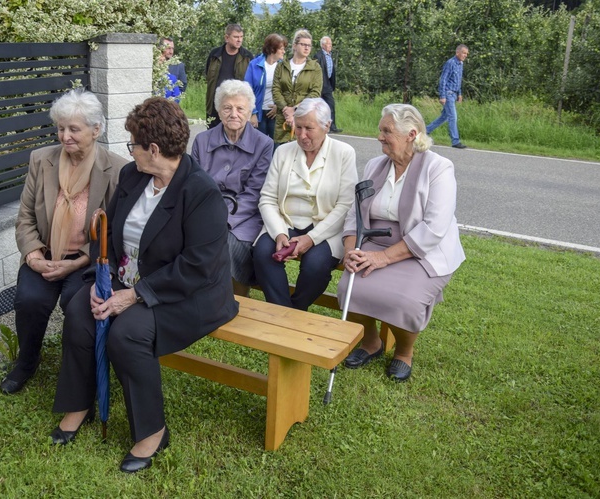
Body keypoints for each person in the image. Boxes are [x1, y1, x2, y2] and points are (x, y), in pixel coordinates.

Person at [51, 97, 238, 473]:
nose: (129, 151)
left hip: (188, 294)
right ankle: (80, 403)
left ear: (153, 149)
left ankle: (153, 430)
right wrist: (99, 278)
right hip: (128, 280)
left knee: (127, 334)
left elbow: (198, 267)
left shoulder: (200, 193)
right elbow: (110, 233)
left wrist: (133, 296)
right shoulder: (133, 177)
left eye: (132, 144)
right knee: (78, 311)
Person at [1, 89, 127, 395]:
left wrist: (78, 260)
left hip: (85, 261)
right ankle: (27, 362)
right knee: (29, 300)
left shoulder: (117, 170)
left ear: (96, 130)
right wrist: (33, 256)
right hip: (44, 255)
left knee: (77, 305)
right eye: (60, 128)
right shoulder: (41, 160)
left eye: (74, 129)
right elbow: (26, 217)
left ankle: (76, 369)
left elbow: (113, 232)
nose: (65, 136)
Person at [338, 103, 466, 382]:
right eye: (380, 130)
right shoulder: (375, 165)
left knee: (404, 301)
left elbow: (434, 228)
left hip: (422, 249)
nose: (380, 137)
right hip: (374, 241)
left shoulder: (439, 167)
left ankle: (404, 352)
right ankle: (371, 343)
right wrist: (351, 250)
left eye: (387, 131)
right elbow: (354, 214)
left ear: (411, 134)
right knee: (350, 286)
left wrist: (382, 259)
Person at [253, 98, 357, 311]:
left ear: (327, 126)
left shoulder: (343, 153)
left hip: (326, 227)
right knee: (263, 254)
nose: (302, 135)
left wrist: (311, 238)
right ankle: (284, 313)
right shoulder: (283, 152)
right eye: (298, 127)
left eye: (309, 128)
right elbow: (268, 198)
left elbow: (346, 205)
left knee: (315, 265)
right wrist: (280, 234)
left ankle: (296, 309)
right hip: (285, 222)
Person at [191, 80, 274, 296]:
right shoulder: (201, 141)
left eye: (240, 108)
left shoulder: (264, 144)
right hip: (204, 213)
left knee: (229, 245)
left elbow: (255, 192)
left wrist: (223, 219)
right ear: (219, 111)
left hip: (245, 217)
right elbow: (195, 186)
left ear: (249, 113)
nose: (233, 114)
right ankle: (199, 297)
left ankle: (236, 298)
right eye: (227, 108)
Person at [272, 29, 323, 145]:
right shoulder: (281, 66)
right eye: (303, 44)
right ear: (295, 46)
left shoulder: (315, 67)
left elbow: (315, 92)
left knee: (302, 151)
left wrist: (295, 109)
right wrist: (286, 109)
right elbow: (276, 89)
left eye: (309, 45)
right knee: (281, 155)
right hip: (283, 119)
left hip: (304, 117)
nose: (306, 48)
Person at [205, 24, 253, 129]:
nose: (239, 40)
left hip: (236, 107)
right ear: (227, 38)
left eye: (241, 37)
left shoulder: (247, 57)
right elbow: (208, 76)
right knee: (212, 137)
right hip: (215, 105)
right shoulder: (215, 55)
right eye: (236, 37)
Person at [244, 33, 288, 140]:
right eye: (281, 49)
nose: (284, 51)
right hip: (258, 113)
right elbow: (246, 90)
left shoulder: (284, 67)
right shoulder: (254, 65)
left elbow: (287, 90)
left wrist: (279, 107)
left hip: (276, 113)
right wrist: (252, 113)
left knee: (276, 146)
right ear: (272, 49)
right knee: (259, 146)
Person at [426, 44, 469, 149]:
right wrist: (442, 96)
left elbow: (458, 80)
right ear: (457, 52)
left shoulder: (460, 64)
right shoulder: (450, 63)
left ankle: (424, 131)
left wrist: (459, 94)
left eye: (466, 54)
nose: (465, 55)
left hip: (454, 94)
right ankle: (455, 141)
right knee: (452, 117)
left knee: (444, 117)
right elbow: (443, 79)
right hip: (448, 93)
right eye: (463, 53)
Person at [313, 36, 342, 133]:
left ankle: (332, 127)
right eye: (329, 44)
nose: (331, 46)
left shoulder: (330, 55)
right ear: (323, 45)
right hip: (320, 86)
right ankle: (319, 126)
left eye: (331, 44)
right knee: (318, 107)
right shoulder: (318, 55)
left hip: (328, 85)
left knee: (331, 106)